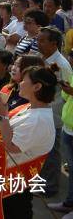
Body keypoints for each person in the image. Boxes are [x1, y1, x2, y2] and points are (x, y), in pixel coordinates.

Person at [0, 65, 57, 218]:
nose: (20, 83)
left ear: (37, 87)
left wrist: (2, 114)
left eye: (24, 80)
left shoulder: (39, 120)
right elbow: (0, 130)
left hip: (15, 182)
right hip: (3, 172)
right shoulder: (28, 108)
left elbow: (11, 146)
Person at [37, 27, 72, 197]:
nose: (38, 43)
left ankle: (50, 186)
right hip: (41, 111)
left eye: (42, 40)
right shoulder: (42, 58)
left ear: (54, 43)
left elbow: (67, 92)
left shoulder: (61, 64)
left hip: (54, 113)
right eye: (38, 39)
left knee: (51, 151)